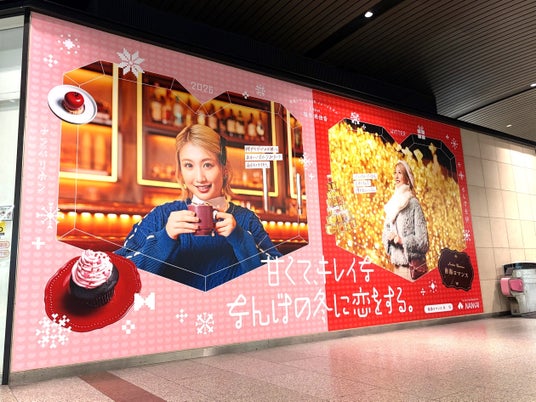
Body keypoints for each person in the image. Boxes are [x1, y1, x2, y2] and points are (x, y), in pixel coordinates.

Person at [115, 124, 282, 291]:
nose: (200, 178)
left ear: (224, 168)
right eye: (189, 165)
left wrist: (240, 238)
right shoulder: (161, 216)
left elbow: (278, 278)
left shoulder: (247, 220)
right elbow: (118, 272)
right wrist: (165, 238)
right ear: (181, 171)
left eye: (207, 165)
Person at [382, 160, 429, 281]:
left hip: (411, 268)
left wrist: (402, 240)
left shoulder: (413, 204)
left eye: (400, 173)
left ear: (407, 178)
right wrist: (389, 237)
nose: (396, 176)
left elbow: (423, 241)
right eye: (395, 173)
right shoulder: (392, 203)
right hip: (396, 267)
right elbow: (386, 230)